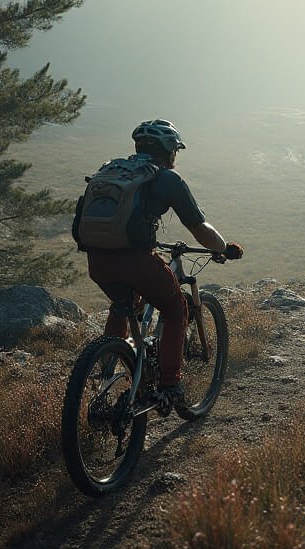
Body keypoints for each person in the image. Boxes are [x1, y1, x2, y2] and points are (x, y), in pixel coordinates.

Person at [82, 119, 242, 409]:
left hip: (98, 261)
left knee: (124, 302)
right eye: (175, 151)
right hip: (136, 261)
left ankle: (108, 368)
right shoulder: (167, 179)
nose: (176, 156)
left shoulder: (111, 170)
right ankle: (170, 385)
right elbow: (199, 227)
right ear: (169, 150)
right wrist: (224, 248)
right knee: (175, 308)